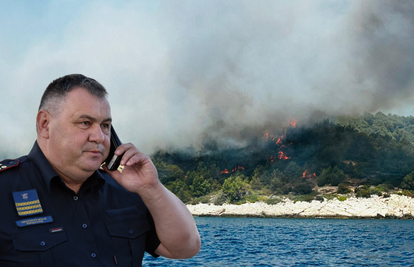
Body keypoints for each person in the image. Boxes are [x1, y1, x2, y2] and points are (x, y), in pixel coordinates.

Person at [0, 74, 201, 266]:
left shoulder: (128, 190)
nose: (99, 136)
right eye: (85, 123)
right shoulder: (4, 188)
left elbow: (186, 248)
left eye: (105, 125)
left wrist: (151, 188)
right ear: (45, 125)